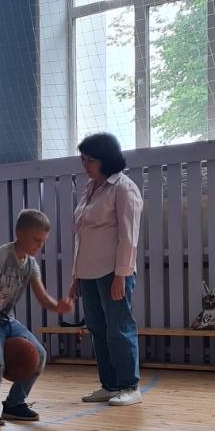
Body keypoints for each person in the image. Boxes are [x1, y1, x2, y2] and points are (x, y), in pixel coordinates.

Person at [0, 209, 73, 427]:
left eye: (43, 241)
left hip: (6, 319)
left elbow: (43, 298)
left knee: (40, 355)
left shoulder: (31, 265)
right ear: (20, 233)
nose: (40, 245)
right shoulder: (4, 253)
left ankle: (14, 404)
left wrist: (58, 306)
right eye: (36, 240)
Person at [73, 132, 144, 408]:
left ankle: (130, 385)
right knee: (97, 329)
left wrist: (121, 276)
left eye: (90, 160)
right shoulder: (89, 188)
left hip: (113, 273)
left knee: (119, 328)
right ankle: (110, 384)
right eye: (82, 159)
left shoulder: (124, 188)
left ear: (106, 159)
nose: (85, 165)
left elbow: (128, 237)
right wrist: (76, 276)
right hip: (88, 274)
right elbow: (81, 236)